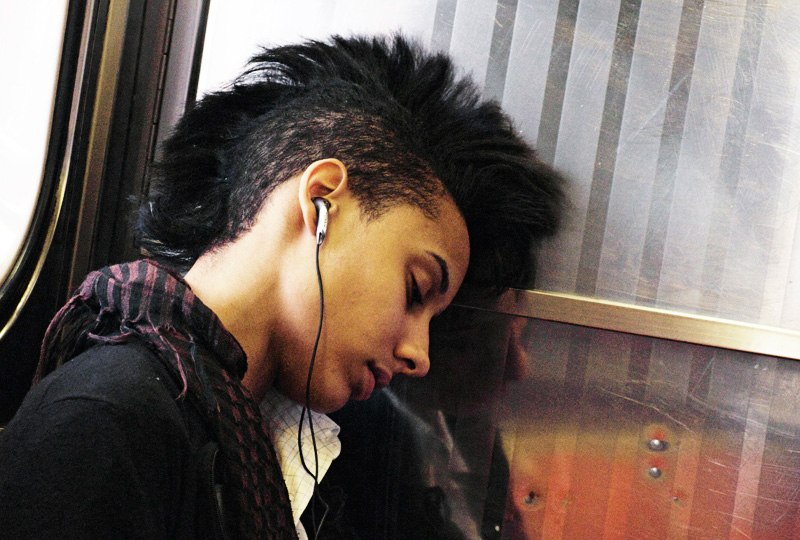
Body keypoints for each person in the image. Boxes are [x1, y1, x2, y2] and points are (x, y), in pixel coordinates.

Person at [0, 34, 564, 540]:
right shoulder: (106, 424)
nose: (419, 354)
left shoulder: (281, 435)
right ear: (322, 202)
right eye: (416, 289)